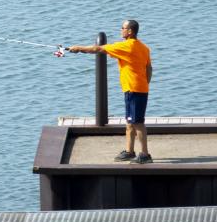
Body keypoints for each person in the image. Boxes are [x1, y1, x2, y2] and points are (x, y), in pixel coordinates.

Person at [65, 19, 152, 163]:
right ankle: (130, 151)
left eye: (123, 28)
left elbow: (99, 49)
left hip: (134, 89)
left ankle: (145, 154)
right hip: (137, 88)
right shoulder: (144, 48)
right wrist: (145, 83)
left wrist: (78, 48)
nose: (121, 30)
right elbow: (149, 69)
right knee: (130, 122)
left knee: (138, 123)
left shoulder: (126, 46)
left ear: (130, 31)